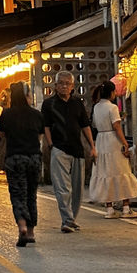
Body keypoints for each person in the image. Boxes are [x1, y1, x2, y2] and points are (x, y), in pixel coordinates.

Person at [42, 72, 97, 232]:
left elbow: (85, 126)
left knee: (77, 188)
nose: (64, 86)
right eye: (61, 83)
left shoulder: (77, 104)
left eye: (67, 83)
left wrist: (92, 147)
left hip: (77, 150)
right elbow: (45, 126)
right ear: (55, 85)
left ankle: (71, 218)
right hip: (59, 148)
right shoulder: (49, 104)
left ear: (72, 86)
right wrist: (51, 144)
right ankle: (66, 220)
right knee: (62, 187)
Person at [0, 81, 44, 246]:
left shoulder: (7, 114)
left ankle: (22, 227)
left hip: (15, 158)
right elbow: (40, 136)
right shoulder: (36, 114)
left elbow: (2, 133)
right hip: (34, 158)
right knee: (31, 195)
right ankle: (31, 232)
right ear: (26, 96)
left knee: (18, 195)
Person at [88, 80, 137, 218]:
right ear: (112, 93)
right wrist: (125, 143)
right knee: (121, 171)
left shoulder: (96, 107)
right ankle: (126, 208)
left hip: (101, 140)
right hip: (113, 141)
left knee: (105, 172)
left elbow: (94, 124)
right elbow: (117, 127)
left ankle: (110, 209)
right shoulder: (112, 108)